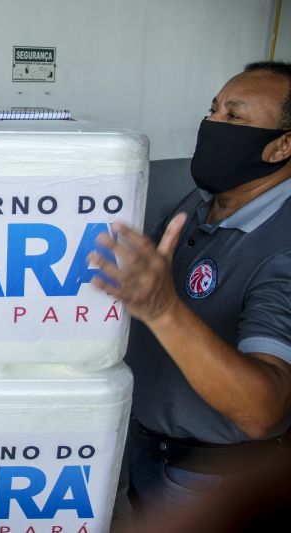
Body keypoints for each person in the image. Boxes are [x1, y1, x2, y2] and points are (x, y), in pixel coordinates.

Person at [89, 61, 291, 523]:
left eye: (235, 118)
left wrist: (162, 309)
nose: (213, 125)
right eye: (213, 110)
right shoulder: (204, 201)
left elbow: (266, 410)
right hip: (148, 451)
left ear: (283, 144)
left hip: (212, 478)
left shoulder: (282, 245)